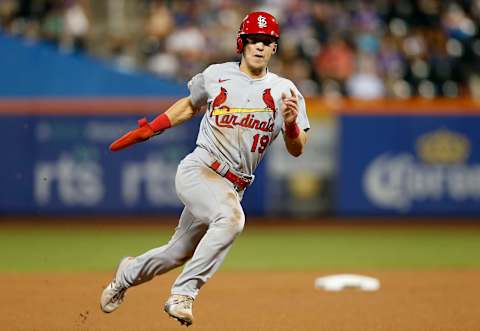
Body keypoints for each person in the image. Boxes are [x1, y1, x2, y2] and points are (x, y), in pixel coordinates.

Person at [100, 11, 310, 327]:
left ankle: (125, 275)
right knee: (232, 219)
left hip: (232, 186)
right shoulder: (216, 75)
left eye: (267, 41)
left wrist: (292, 125)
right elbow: (189, 104)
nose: (259, 46)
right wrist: (154, 127)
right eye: (254, 39)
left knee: (177, 253)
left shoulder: (286, 92)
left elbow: (297, 149)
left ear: (274, 48)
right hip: (200, 169)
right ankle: (183, 294)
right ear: (242, 42)